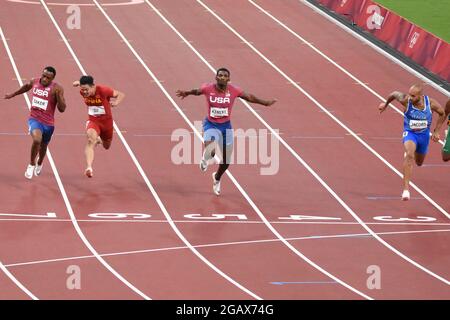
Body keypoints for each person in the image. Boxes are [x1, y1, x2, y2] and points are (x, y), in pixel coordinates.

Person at [176, 67, 277, 195]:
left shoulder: (234, 90)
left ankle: (217, 178)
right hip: (210, 125)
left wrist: (265, 103)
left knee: (226, 161)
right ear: (216, 77)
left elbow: (249, 97)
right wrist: (187, 93)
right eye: (220, 75)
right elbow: (197, 91)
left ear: (228, 79)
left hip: (226, 127)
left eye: (225, 76)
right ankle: (205, 158)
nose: (222, 77)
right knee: (211, 151)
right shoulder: (208, 88)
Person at [379, 84, 445, 200]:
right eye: (409, 94)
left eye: (413, 96)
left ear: (421, 96)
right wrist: (385, 104)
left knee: (419, 163)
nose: (410, 97)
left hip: (423, 136)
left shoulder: (430, 103)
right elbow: (394, 93)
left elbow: (442, 113)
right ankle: (406, 190)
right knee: (409, 155)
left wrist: (436, 131)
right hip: (410, 133)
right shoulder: (406, 100)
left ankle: (412, 153)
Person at [4, 66, 66, 179]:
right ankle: (31, 164)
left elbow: (62, 109)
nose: (44, 79)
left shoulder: (57, 88)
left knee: (44, 146)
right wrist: (12, 94)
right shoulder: (35, 81)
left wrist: (58, 97)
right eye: (43, 75)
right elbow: (25, 87)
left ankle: (40, 162)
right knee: (37, 139)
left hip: (48, 123)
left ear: (52, 79)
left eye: (48, 77)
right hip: (35, 119)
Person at [73, 75, 125, 178]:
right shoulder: (83, 91)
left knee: (106, 146)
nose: (85, 92)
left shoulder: (103, 90)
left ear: (93, 86)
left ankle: (99, 140)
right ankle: (89, 167)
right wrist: (79, 83)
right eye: (82, 90)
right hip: (93, 121)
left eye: (86, 90)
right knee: (90, 140)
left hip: (107, 123)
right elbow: (83, 86)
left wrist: (116, 103)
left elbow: (121, 94)